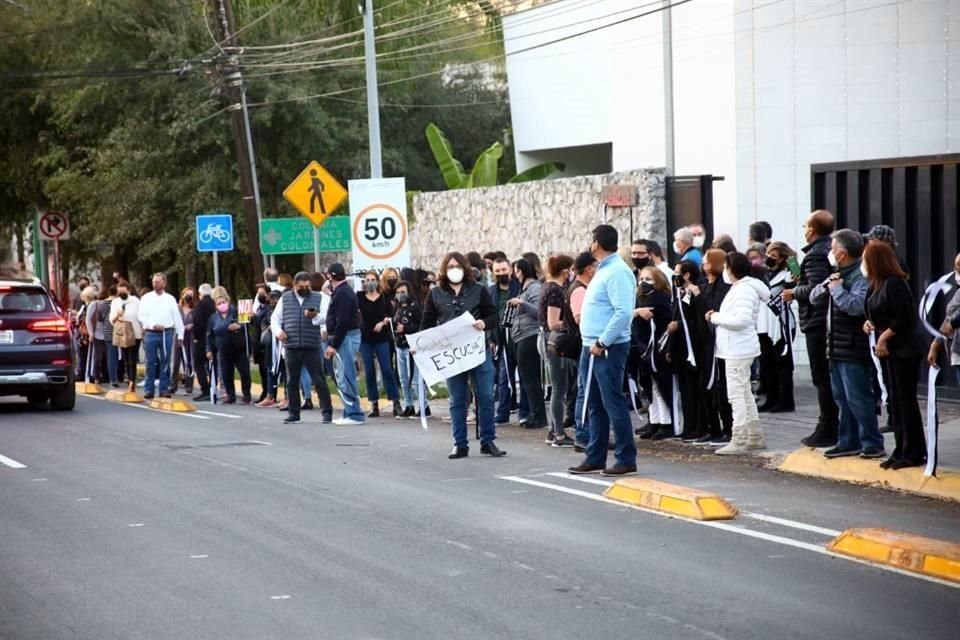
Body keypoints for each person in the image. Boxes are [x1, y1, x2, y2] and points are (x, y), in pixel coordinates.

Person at [568, 224, 638, 477]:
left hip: (606, 348)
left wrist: (602, 342)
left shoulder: (617, 271)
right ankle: (595, 456)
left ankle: (626, 457)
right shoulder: (604, 270)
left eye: (591, 239)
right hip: (592, 346)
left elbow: (623, 312)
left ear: (596, 243)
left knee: (613, 402)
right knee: (595, 404)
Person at [419, 252, 505, 459]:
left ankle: (487, 440)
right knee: (457, 399)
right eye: (449, 267)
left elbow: (493, 315)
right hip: (452, 355)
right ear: (444, 270)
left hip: (477, 350)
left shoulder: (479, 290)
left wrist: (484, 323)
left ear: (465, 268)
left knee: (485, 395)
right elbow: (427, 324)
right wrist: (420, 345)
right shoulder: (436, 294)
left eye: (457, 266)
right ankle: (460, 443)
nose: (454, 270)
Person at [810, 229, 885, 459]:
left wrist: (837, 290)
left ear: (841, 253)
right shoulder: (837, 273)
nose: (829, 252)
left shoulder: (859, 277)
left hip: (853, 346)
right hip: (836, 345)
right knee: (841, 398)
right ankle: (848, 441)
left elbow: (855, 306)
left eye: (832, 249)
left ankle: (872, 442)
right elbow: (813, 296)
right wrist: (828, 286)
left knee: (858, 397)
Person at [863, 242, 925, 469]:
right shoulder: (875, 285)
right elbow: (875, 312)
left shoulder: (895, 284)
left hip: (903, 349)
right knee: (895, 402)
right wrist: (870, 324)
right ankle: (900, 448)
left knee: (905, 400)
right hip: (888, 350)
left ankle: (913, 451)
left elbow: (905, 318)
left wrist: (884, 337)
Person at [706, 252, 770, 454]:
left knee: (736, 395)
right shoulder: (743, 287)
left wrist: (715, 317)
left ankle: (739, 438)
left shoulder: (744, 290)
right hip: (738, 347)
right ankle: (754, 435)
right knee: (744, 392)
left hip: (737, 349)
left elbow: (741, 320)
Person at [784, 209, 838, 447]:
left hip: (817, 321)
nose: (804, 230)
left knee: (821, 377)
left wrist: (794, 292)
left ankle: (828, 426)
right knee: (827, 376)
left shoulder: (816, 254)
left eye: (806, 225)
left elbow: (818, 290)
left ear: (813, 230)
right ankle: (831, 425)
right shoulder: (826, 250)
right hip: (823, 321)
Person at [271, 272, 334, 424]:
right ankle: (294, 413)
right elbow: (275, 319)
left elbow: (327, 317)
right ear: (294, 286)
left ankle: (327, 412)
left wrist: (316, 319)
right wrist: (279, 332)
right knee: (292, 381)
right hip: (291, 344)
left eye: (308, 286)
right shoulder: (285, 299)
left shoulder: (319, 298)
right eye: (301, 287)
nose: (305, 289)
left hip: (311, 344)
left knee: (319, 380)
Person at [539, 254, 577, 447]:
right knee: (559, 388)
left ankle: (553, 430)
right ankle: (559, 434)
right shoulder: (554, 290)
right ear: (565, 271)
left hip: (548, 340)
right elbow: (553, 322)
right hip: (554, 341)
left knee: (559, 387)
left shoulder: (548, 287)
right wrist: (572, 322)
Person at [634, 266, 674, 441]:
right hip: (644, 349)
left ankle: (666, 422)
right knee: (649, 387)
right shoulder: (641, 299)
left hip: (657, 348)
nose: (643, 283)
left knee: (660, 386)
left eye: (648, 279)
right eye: (641, 279)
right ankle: (655, 420)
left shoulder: (661, 299)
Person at [698, 249, 733, 445]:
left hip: (718, 341)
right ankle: (713, 427)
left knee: (722, 386)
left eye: (706, 261)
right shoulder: (704, 284)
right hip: (704, 342)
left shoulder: (723, 287)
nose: (703, 265)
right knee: (706, 386)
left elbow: (714, 308)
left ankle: (728, 428)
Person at [671, 260, 709, 442]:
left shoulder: (695, 292)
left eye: (677, 272)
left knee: (695, 389)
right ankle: (688, 425)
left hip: (694, 348)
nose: (674, 276)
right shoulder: (678, 293)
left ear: (686, 275)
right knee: (685, 390)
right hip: (681, 348)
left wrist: (679, 324)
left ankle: (699, 426)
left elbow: (698, 319)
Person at [324, 263, 366, 425]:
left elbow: (342, 321)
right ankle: (348, 411)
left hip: (345, 338)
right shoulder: (342, 291)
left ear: (330, 276)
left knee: (346, 376)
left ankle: (354, 414)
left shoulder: (342, 293)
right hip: (346, 336)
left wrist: (333, 345)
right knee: (342, 375)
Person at [757, 242, 797, 412]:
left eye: (774, 256)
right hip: (765, 324)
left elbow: (797, 278)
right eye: (768, 254)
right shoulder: (766, 274)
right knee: (768, 363)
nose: (769, 258)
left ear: (782, 258)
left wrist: (793, 263)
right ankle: (771, 398)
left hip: (782, 324)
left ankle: (786, 400)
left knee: (783, 363)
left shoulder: (787, 274)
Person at [508, 257, 547, 429]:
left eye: (516, 271)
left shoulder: (535, 288)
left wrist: (522, 303)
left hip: (529, 336)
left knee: (531, 378)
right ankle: (534, 413)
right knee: (527, 378)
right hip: (520, 337)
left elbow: (540, 312)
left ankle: (538, 416)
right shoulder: (523, 289)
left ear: (521, 271)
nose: (514, 275)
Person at [358, 270, 402, 418]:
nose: (370, 282)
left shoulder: (384, 297)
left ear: (377, 281)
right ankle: (374, 403)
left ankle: (396, 402)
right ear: (364, 282)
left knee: (387, 369)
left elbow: (391, 316)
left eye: (373, 279)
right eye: (367, 280)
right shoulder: (359, 297)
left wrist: (382, 323)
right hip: (365, 338)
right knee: (369, 371)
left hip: (381, 337)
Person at [137, 273, 184, 400]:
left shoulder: (170, 299)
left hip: (166, 333)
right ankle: (149, 389)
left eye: (158, 282)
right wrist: (153, 325)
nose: (155, 284)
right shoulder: (146, 298)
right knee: (150, 362)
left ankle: (164, 389)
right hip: (151, 333)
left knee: (165, 362)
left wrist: (180, 334)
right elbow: (141, 315)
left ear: (164, 283)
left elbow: (176, 317)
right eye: (154, 282)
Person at [569, 252, 597, 451]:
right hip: (584, 344)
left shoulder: (584, 288)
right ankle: (583, 433)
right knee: (584, 390)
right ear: (588, 268)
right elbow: (579, 318)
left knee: (588, 389)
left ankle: (590, 432)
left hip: (586, 343)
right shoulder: (579, 291)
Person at [205, 287, 252, 405]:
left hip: (239, 348)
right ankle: (230, 395)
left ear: (228, 301)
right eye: (219, 303)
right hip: (223, 350)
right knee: (226, 374)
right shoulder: (213, 318)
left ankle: (246, 395)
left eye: (223, 302)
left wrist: (239, 326)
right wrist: (209, 349)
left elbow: (247, 325)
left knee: (244, 372)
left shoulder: (237, 311)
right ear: (215, 305)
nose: (222, 305)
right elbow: (209, 335)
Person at [490, 256, 521, 425]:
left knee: (524, 376)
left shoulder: (519, 288)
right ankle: (503, 412)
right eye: (497, 271)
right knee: (503, 378)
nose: (501, 273)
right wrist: (491, 339)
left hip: (519, 338)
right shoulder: (491, 292)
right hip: (501, 340)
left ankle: (526, 411)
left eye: (504, 269)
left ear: (510, 269)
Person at [928, 252, 960, 384]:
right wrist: (936, 343)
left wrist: (952, 324)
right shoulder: (959, 293)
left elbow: (951, 321)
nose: (956, 273)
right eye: (956, 268)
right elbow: (949, 317)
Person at [393, 280, 423, 418]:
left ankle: (424, 406)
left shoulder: (415, 306)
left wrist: (405, 329)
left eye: (403, 292)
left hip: (412, 347)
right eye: (398, 292)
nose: (400, 295)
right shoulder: (397, 307)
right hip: (399, 346)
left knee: (415, 379)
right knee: (403, 379)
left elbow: (421, 326)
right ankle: (408, 405)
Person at [109, 281, 142, 393]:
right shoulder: (115, 302)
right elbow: (111, 319)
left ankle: (132, 381)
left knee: (132, 357)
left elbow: (140, 315)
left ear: (129, 290)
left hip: (135, 333)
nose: (122, 294)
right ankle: (129, 377)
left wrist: (143, 329)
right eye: (120, 292)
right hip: (122, 333)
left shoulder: (136, 301)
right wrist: (118, 314)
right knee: (125, 358)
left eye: (124, 292)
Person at [192, 284, 216, 401]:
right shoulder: (214, 304)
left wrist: (195, 336)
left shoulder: (200, 305)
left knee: (199, 364)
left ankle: (205, 390)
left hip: (202, 339)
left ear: (200, 293)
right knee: (212, 365)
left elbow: (198, 322)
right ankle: (213, 388)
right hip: (214, 337)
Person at [170, 287, 195, 395]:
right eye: (186, 294)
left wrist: (191, 326)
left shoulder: (195, 310)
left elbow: (198, 322)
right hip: (178, 337)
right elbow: (171, 320)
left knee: (189, 361)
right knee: (175, 362)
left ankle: (189, 386)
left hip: (190, 337)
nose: (188, 296)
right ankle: (172, 385)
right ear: (182, 295)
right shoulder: (177, 308)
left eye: (191, 294)